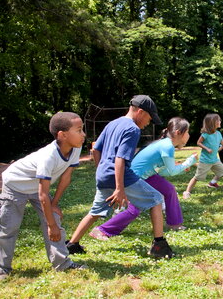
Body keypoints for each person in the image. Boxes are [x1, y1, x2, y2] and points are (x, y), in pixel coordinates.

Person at [66, 95, 175, 259]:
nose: (148, 122)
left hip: (104, 175)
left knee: (95, 211)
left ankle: (72, 244)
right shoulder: (132, 129)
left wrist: (101, 170)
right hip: (122, 176)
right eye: (149, 117)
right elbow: (120, 159)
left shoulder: (113, 124)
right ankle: (159, 245)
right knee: (156, 199)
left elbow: (96, 149)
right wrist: (119, 188)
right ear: (140, 111)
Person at [0, 112, 87, 281]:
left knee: (54, 218)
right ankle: (0, 268)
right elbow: (43, 195)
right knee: (9, 227)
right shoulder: (48, 156)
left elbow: (66, 177)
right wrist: (51, 225)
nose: (83, 134)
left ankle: (62, 263)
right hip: (15, 186)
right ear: (62, 135)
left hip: (37, 188)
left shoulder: (76, 148)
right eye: (79, 130)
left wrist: (54, 205)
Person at [88, 117, 198, 240]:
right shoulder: (167, 146)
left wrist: (182, 166)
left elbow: (165, 171)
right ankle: (101, 230)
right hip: (134, 177)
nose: (188, 135)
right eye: (187, 132)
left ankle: (174, 224)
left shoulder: (166, 143)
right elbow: (172, 172)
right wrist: (189, 162)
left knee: (169, 189)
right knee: (135, 209)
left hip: (146, 175)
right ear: (178, 132)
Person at [183, 113, 223, 200]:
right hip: (205, 161)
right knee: (197, 177)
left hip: (215, 160)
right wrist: (206, 148)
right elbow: (198, 143)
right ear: (212, 122)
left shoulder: (218, 134)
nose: (220, 121)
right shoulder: (205, 134)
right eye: (218, 120)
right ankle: (187, 192)